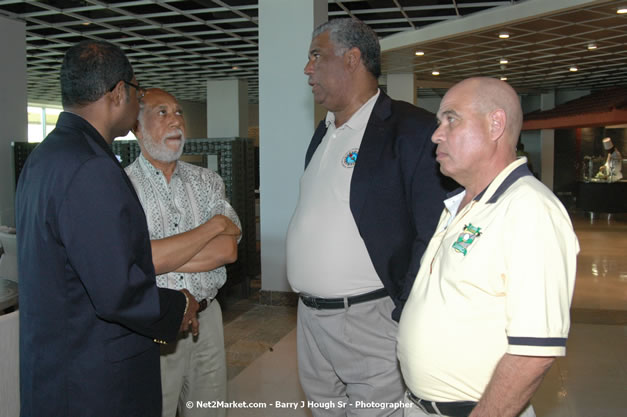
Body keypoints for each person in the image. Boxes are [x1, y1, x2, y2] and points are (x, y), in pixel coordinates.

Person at [16, 40, 199, 417]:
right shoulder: (91, 167)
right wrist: (180, 304)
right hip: (96, 385)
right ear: (118, 93)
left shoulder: (44, 157)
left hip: (56, 372)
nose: (137, 101)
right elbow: (117, 290)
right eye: (136, 90)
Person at [286, 18, 449, 416]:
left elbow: (432, 230)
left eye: (316, 56)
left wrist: (403, 309)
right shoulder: (323, 133)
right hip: (310, 319)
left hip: (369, 320)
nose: (308, 69)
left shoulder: (410, 130)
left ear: (352, 59)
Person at [397, 77, 580, 417]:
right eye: (439, 122)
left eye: (451, 118)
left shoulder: (529, 209)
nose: (437, 134)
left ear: (496, 124)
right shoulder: (460, 203)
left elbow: (534, 352)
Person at [125, 88, 241, 417]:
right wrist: (212, 226)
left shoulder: (207, 181)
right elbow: (138, 260)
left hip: (208, 319)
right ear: (137, 126)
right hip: (155, 325)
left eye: (178, 112)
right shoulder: (122, 186)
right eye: (162, 112)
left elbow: (227, 249)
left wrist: (160, 256)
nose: (176, 119)